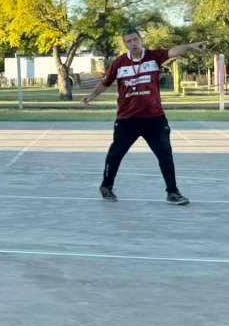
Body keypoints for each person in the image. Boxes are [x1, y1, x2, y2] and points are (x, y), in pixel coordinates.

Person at [82, 29, 206, 205]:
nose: (132, 44)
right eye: (128, 41)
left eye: (135, 39)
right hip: (127, 120)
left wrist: (190, 47)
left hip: (154, 119)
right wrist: (91, 97)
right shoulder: (119, 63)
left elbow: (173, 51)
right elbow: (105, 83)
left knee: (165, 155)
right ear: (125, 44)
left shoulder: (153, 56)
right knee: (115, 154)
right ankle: (106, 186)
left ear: (141, 40)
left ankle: (172, 192)